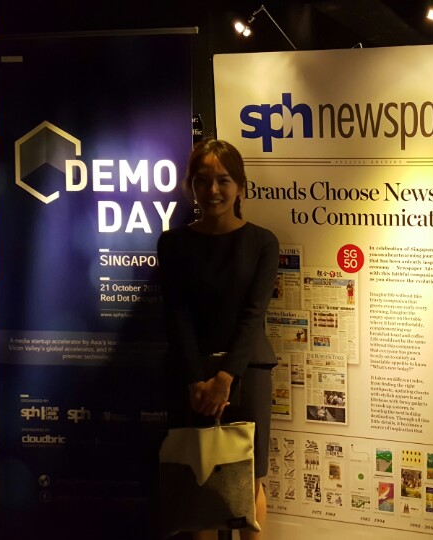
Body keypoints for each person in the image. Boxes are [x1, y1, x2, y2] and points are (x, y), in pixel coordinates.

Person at [158, 138, 279, 540]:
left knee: (251, 477)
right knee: (195, 474)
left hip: (247, 375)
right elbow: (175, 316)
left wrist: (225, 377)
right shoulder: (173, 243)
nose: (213, 190)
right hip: (190, 376)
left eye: (223, 180)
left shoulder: (262, 242)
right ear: (190, 185)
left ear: (241, 186)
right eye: (203, 180)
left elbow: (253, 315)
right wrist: (197, 380)